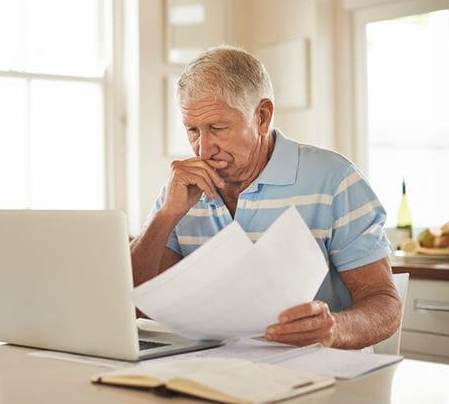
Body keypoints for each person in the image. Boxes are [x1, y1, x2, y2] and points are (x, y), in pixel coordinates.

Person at [130, 46, 401, 349]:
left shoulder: (335, 179)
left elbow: (385, 305)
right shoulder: (181, 189)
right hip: (212, 374)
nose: (202, 149)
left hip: (316, 376)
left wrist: (334, 329)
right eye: (192, 130)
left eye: (217, 128)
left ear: (262, 116)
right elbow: (133, 305)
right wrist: (166, 215)